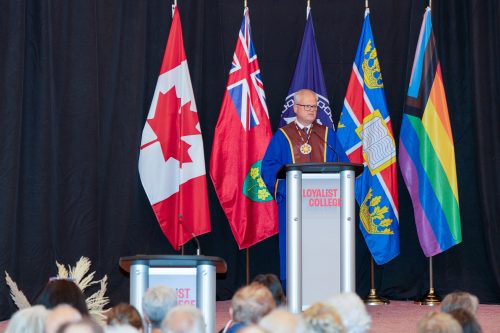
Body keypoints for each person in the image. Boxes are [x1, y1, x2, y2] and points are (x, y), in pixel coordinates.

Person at [262, 88, 348, 286]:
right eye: (307, 106)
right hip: (295, 205)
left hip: (325, 204)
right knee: (295, 248)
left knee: (324, 249)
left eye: (314, 106)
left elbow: (343, 162)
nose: (312, 110)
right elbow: (268, 167)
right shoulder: (283, 135)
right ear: (296, 108)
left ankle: (326, 286)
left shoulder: (327, 135)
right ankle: (293, 289)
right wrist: (286, 190)